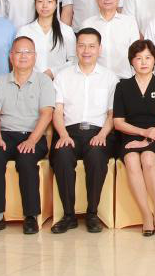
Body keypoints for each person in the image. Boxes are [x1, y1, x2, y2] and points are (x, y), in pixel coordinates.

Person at [0, 35, 55, 235]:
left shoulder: (44, 81)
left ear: (35, 56)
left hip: (33, 135)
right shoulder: (0, 81)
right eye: (18, 52)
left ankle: (31, 216)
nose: (23, 56)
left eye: (28, 52)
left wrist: (32, 140)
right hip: (5, 134)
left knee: (26, 159)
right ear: (10, 56)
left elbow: (47, 114)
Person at [49, 29, 117, 233]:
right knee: (61, 155)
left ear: (99, 49)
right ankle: (68, 215)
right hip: (68, 132)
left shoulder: (110, 78)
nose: (86, 50)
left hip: (99, 132)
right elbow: (57, 111)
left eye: (91, 46)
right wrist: (63, 135)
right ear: (76, 48)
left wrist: (102, 135)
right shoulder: (63, 76)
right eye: (81, 45)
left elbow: (112, 114)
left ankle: (92, 213)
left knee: (97, 156)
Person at [112, 40, 155, 236]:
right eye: (138, 58)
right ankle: (146, 214)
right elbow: (118, 122)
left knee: (148, 158)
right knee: (132, 159)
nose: (143, 62)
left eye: (148, 57)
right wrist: (142, 133)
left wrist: (148, 138)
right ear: (131, 61)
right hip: (130, 136)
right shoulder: (122, 86)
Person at [82, 0, 142, 79]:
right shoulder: (87, 24)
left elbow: (136, 55)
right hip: (95, 79)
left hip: (124, 80)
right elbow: (83, 56)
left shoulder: (129, 23)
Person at [18, 0, 75, 76]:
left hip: (58, 81)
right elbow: (18, 59)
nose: (44, 5)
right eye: (40, 1)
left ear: (56, 4)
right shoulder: (24, 31)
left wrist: (53, 72)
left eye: (49, 1)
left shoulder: (66, 31)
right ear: (35, 4)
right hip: (30, 81)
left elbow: (74, 61)